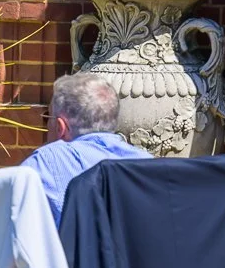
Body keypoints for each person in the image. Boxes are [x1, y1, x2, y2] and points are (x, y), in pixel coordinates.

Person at [22, 72, 149, 225]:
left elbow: (14, 229)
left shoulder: (46, 163)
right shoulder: (147, 163)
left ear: (61, 127)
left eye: (48, 117)